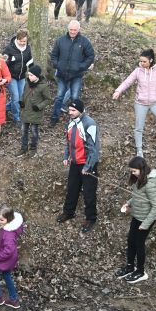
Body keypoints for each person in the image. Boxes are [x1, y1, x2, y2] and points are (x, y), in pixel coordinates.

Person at [113, 48, 156, 157]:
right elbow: (127, 82)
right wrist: (118, 91)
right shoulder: (137, 71)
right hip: (140, 103)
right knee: (139, 127)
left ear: (151, 60)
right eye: (140, 61)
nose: (141, 63)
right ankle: (139, 150)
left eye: (144, 61)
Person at [57, 99, 100, 233]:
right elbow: (68, 142)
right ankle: (69, 212)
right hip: (75, 163)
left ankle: (91, 218)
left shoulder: (90, 124)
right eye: (69, 110)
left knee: (88, 193)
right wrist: (66, 156)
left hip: (88, 164)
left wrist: (88, 167)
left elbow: (95, 149)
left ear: (80, 110)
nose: (70, 113)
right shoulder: (71, 122)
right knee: (72, 189)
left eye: (73, 110)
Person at [115, 157, 156, 284]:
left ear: (141, 169)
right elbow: (137, 197)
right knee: (131, 241)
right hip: (137, 216)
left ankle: (140, 271)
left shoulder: (150, 185)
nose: (132, 173)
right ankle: (130, 266)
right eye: (131, 171)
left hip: (146, 219)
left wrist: (145, 224)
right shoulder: (138, 180)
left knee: (139, 244)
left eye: (134, 171)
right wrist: (128, 204)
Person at [49, 20, 95, 126]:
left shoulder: (84, 42)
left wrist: (82, 66)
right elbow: (54, 55)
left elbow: (90, 56)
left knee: (75, 97)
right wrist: (57, 65)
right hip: (61, 74)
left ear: (78, 30)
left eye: (75, 30)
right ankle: (54, 118)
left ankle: (76, 121)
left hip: (76, 75)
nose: (73, 32)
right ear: (68, 29)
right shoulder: (60, 40)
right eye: (71, 29)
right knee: (59, 96)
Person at [0, 206, 24, 309]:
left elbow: (9, 250)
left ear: (9, 219)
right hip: (10, 259)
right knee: (6, 275)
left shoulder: (8, 234)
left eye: (1, 219)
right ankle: (13, 300)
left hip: (4, 258)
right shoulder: (12, 226)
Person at [16, 65, 50, 158]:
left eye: (31, 75)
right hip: (26, 111)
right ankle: (23, 148)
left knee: (34, 131)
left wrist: (39, 106)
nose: (29, 77)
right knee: (24, 131)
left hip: (36, 113)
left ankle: (33, 149)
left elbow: (48, 99)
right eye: (29, 74)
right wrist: (21, 101)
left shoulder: (43, 86)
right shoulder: (27, 83)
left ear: (37, 76)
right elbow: (24, 93)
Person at [3, 30, 33, 124]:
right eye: (21, 41)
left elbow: (29, 60)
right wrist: (11, 60)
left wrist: (33, 72)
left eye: (24, 41)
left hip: (22, 76)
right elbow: (3, 62)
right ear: (17, 39)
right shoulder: (9, 48)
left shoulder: (27, 48)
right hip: (11, 76)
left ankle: (5, 108)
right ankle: (16, 117)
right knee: (15, 97)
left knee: (20, 98)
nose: (23, 43)